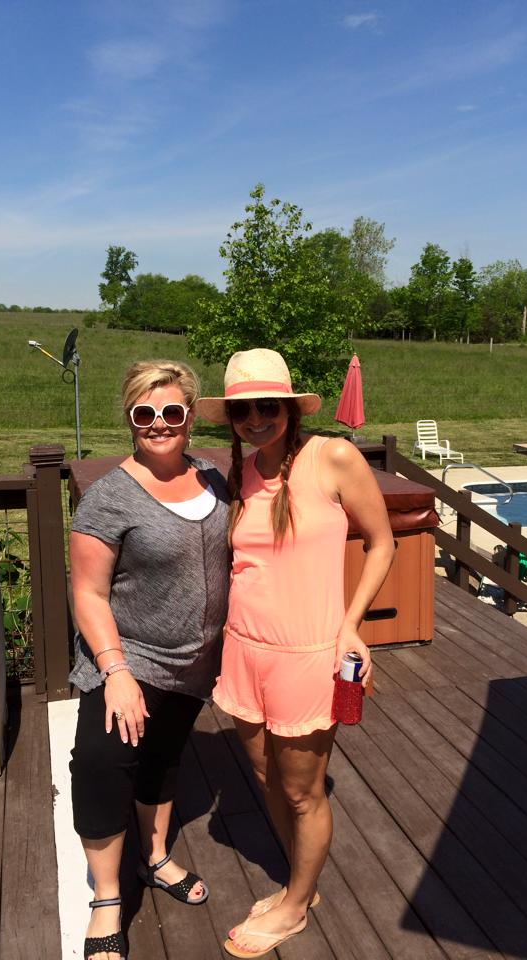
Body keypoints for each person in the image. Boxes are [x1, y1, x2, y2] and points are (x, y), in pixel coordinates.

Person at [196, 348, 395, 959]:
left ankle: (294, 906)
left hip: (308, 654)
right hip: (243, 649)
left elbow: (382, 541)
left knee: (305, 793)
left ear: (289, 408)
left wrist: (352, 625)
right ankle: (298, 885)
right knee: (265, 777)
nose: (256, 419)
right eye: (243, 411)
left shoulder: (332, 457)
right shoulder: (239, 474)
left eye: (268, 406)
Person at [68, 360, 230, 960]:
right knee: (102, 765)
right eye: (144, 413)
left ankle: (155, 858)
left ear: (190, 417)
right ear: (130, 419)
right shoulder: (110, 497)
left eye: (171, 411)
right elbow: (88, 593)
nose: (158, 423)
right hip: (130, 658)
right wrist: (115, 672)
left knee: (162, 759)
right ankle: (107, 899)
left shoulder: (213, 478)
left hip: (195, 662)